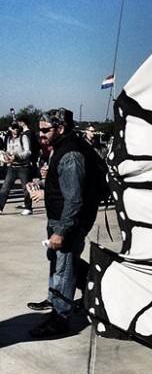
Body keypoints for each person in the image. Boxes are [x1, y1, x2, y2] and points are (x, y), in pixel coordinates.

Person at [26, 108, 102, 338]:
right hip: (59, 218)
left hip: (68, 221)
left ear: (60, 129)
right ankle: (84, 290)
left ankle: (59, 319)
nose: (40, 134)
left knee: (64, 268)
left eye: (45, 130)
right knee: (59, 261)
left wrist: (61, 231)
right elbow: (65, 184)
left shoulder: (70, 155)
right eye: (39, 130)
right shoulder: (62, 148)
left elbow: (74, 199)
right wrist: (43, 184)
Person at [0, 122, 34, 216]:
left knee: (26, 188)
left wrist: (17, 156)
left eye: (17, 128)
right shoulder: (9, 139)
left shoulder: (23, 137)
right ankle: (0, 207)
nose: (15, 130)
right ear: (10, 128)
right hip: (12, 167)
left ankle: (28, 207)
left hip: (23, 166)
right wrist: (7, 156)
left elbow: (28, 151)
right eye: (13, 128)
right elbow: (8, 150)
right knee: (5, 188)